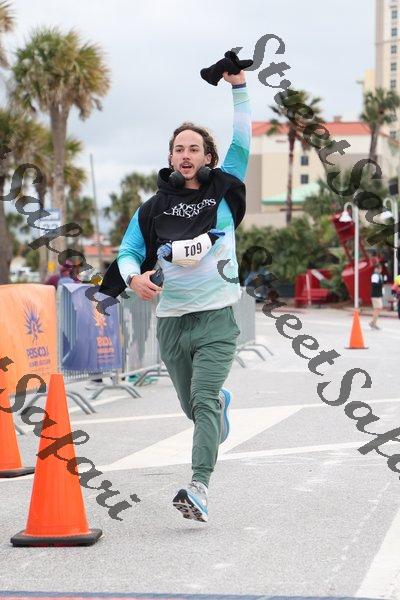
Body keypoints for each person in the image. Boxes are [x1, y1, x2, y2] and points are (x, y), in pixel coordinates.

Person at [117, 68, 250, 523]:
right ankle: (217, 409)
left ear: (208, 156)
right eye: (179, 148)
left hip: (216, 317)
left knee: (204, 398)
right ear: (171, 157)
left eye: (194, 148)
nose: (186, 154)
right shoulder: (153, 208)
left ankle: (199, 487)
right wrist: (133, 278)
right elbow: (128, 252)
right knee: (193, 407)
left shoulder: (224, 192)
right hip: (172, 319)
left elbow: (243, 139)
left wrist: (238, 87)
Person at [370, 263, 385, 329]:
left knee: (379, 308)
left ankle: (373, 322)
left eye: (380, 268)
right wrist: (381, 285)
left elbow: (381, 285)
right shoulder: (374, 276)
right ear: (376, 269)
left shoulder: (380, 275)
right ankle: (373, 323)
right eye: (378, 268)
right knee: (377, 308)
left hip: (378, 294)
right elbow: (374, 285)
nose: (380, 270)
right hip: (375, 294)